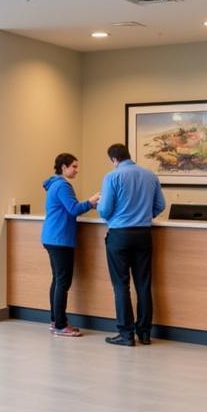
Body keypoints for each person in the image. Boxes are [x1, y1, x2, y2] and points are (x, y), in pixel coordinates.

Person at [97, 143, 165, 346]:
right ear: (129, 155)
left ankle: (126, 335)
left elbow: (104, 210)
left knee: (121, 285)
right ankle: (144, 333)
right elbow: (160, 205)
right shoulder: (150, 175)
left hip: (119, 235)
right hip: (144, 235)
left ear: (113, 160)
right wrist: (144, 215)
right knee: (143, 284)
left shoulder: (112, 176)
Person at [41, 153, 99, 336]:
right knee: (62, 282)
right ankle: (60, 325)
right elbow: (73, 209)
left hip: (52, 237)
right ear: (64, 167)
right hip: (60, 239)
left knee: (57, 280)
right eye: (74, 166)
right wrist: (91, 202)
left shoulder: (53, 184)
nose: (76, 169)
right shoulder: (63, 185)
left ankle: (55, 321)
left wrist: (88, 204)